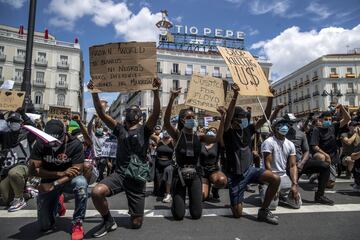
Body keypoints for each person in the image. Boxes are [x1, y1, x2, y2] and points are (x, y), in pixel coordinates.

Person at [88, 78, 161, 237]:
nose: (130, 111)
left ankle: (134, 208)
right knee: (97, 192)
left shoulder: (145, 130)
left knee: (136, 224)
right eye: (129, 109)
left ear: (139, 116)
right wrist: (94, 93)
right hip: (120, 174)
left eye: (134, 110)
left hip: (137, 178)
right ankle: (108, 221)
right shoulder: (119, 129)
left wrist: (155, 92)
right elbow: (101, 113)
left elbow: (156, 113)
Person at [222, 83, 280, 225]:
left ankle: (264, 210)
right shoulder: (228, 132)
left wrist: (270, 97)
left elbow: (265, 117)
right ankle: (236, 200)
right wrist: (235, 95)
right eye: (241, 118)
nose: (244, 120)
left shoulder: (248, 130)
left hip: (250, 171)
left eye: (245, 118)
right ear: (234, 120)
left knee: (275, 179)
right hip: (235, 176)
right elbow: (228, 117)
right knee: (237, 214)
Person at [163, 88, 222, 220]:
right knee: (178, 215)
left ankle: (192, 203)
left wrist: (222, 118)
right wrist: (172, 98)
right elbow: (166, 122)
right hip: (180, 175)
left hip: (195, 174)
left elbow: (217, 138)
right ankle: (177, 202)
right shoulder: (177, 135)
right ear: (182, 120)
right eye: (189, 118)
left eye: (193, 118)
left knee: (196, 214)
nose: (192, 120)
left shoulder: (199, 136)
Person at [29, 119, 88, 240]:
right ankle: (58, 203)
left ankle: (77, 223)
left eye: (57, 141)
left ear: (65, 134)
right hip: (49, 180)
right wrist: (60, 173)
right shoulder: (40, 143)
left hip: (67, 181)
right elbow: (34, 171)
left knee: (81, 183)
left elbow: (76, 171)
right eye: (50, 142)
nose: (53, 145)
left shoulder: (75, 143)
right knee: (45, 226)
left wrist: (55, 183)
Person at [261, 118, 301, 210]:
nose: (284, 127)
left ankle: (281, 197)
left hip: (283, 177)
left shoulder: (290, 144)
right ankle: (263, 188)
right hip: (270, 176)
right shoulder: (268, 142)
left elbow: (292, 165)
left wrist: (294, 185)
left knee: (297, 204)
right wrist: (273, 185)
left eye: (286, 125)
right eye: (281, 124)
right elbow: (268, 164)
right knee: (271, 206)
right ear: (275, 128)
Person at [0, 109, 36, 212]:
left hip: (23, 165)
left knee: (14, 173)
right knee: (7, 199)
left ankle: (19, 199)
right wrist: (1, 118)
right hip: (6, 167)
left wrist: (24, 114)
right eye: (11, 121)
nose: (13, 123)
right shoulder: (5, 135)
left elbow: (33, 128)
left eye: (16, 121)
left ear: (21, 123)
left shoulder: (27, 135)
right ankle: (27, 193)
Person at [310, 105, 351, 188]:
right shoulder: (316, 130)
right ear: (321, 119)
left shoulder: (333, 126)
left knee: (330, 185)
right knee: (321, 157)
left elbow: (347, 119)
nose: (328, 121)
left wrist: (342, 107)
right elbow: (314, 146)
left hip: (332, 158)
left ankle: (318, 177)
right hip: (321, 156)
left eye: (330, 119)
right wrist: (326, 155)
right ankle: (317, 173)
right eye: (326, 119)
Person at [200, 111, 227, 202]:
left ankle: (215, 189)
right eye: (210, 130)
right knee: (202, 196)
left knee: (222, 180)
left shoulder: (218, 143)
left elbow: (221, 132)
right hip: (202, 172)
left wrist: (222, 117)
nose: (212, 132)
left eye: (214, 131)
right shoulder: (201, 142)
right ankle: (206, 186)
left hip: (213, 171)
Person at [154, 131, 174, 203]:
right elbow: (149, 134)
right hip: (159, 164)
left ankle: (168, 194)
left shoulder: (173, 141)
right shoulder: (158, 140)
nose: (167, 135)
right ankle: (163, 192)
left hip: (169, 163)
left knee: (168, 176)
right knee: (160, 183)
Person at [88, 114, 108, 182]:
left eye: (101, 127)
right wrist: (92, 118)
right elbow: (89, 128)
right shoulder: (94, 137)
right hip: (95, 159)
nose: (99, 129)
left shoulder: (106, 138)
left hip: (103, 158)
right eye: (98, 127)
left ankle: (100, 177)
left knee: (100, 174)